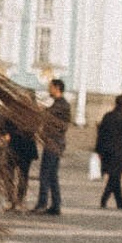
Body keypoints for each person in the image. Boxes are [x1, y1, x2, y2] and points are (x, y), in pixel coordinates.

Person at [94, 91, 122, 208]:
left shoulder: (107, 116)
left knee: (114, 177)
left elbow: (100, 133)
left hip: (106, 151)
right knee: (115, 177)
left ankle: (120, 203)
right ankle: (104, 200)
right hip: (119, 152)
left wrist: (97, 150)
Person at [35, 76, 70, 214]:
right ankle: (56, 205)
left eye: (50, 87)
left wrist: (39, 109)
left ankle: (42, 203)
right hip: (54, 143)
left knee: (45, 174)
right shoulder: (58, 103)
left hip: (54, 143)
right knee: (52, 175)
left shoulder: (62, 105)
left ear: (57, 88)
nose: (48, 89)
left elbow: (49, 114)